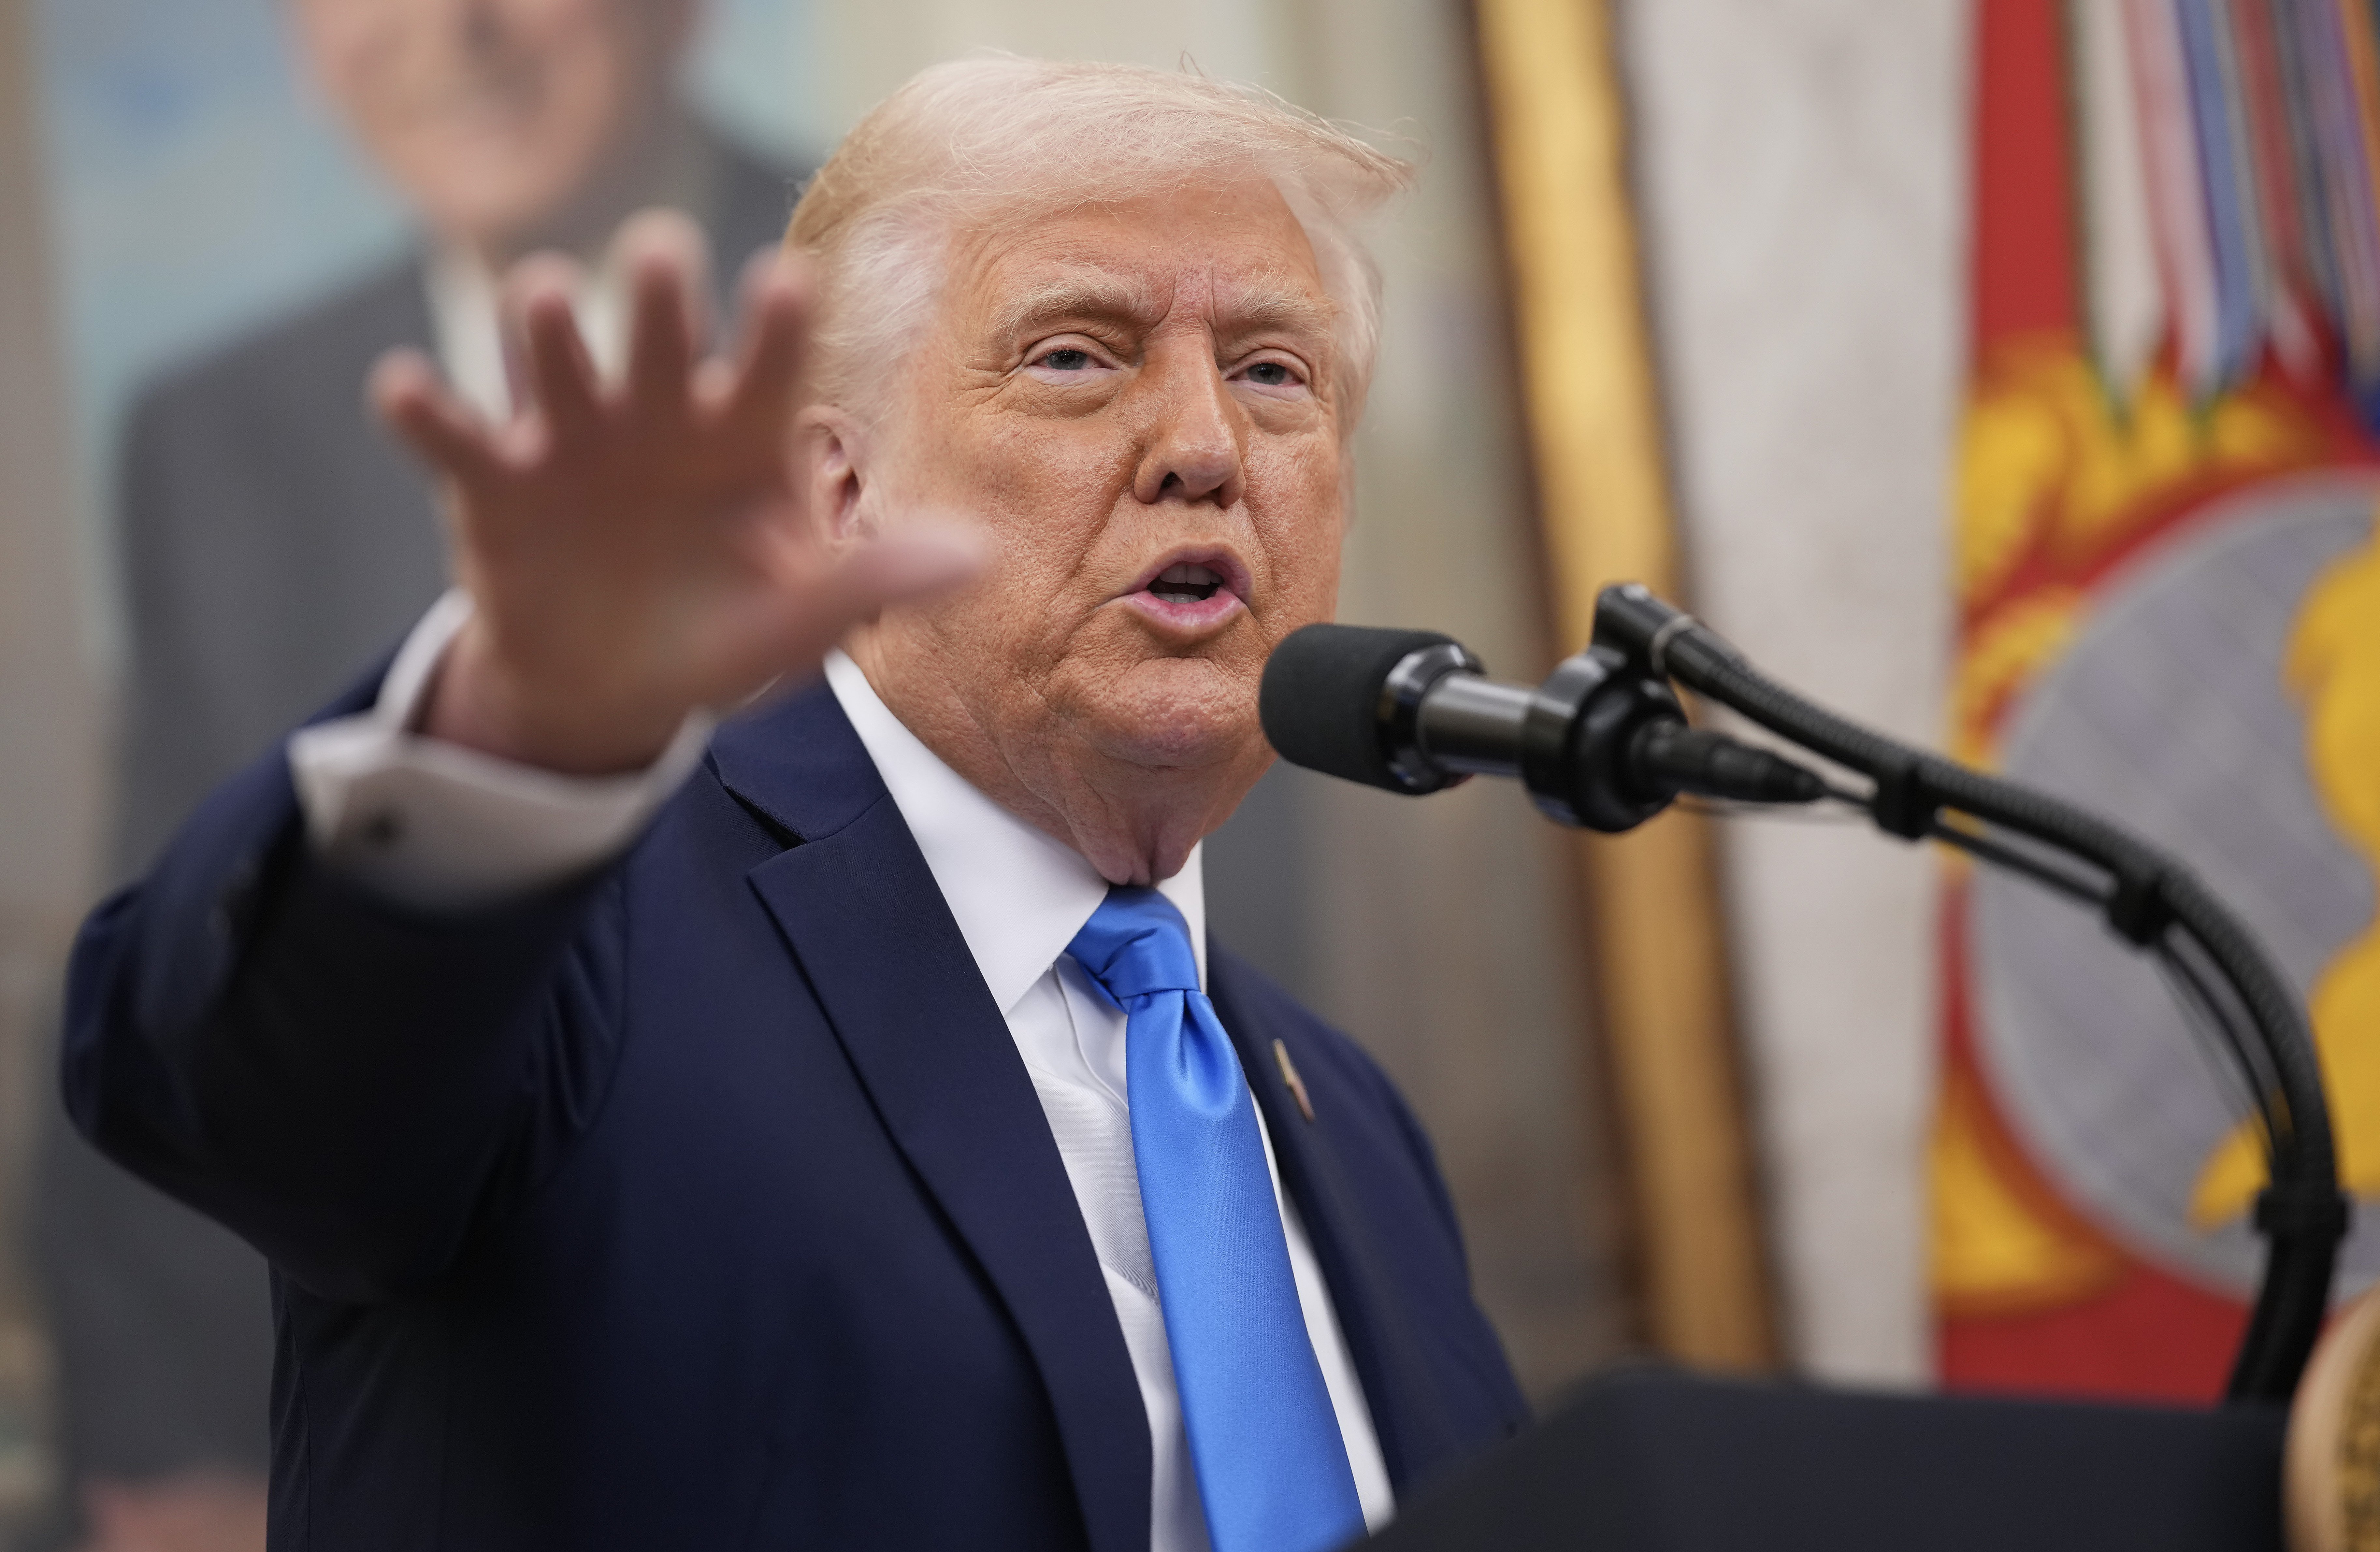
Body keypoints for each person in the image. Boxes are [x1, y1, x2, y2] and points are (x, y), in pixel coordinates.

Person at [62, 57, 1527, 1551]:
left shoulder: (1347, 1121)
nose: (1206, 447)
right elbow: (231, 1096)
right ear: (838, 490)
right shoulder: (572, 962)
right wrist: (508, 726)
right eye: (1079, 356)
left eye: (1275, 372)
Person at [35, 1, 800, 1545]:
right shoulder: (213, 434)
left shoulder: (929, 301)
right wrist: (177, 1449)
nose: (450, 28)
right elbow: (182, 966)